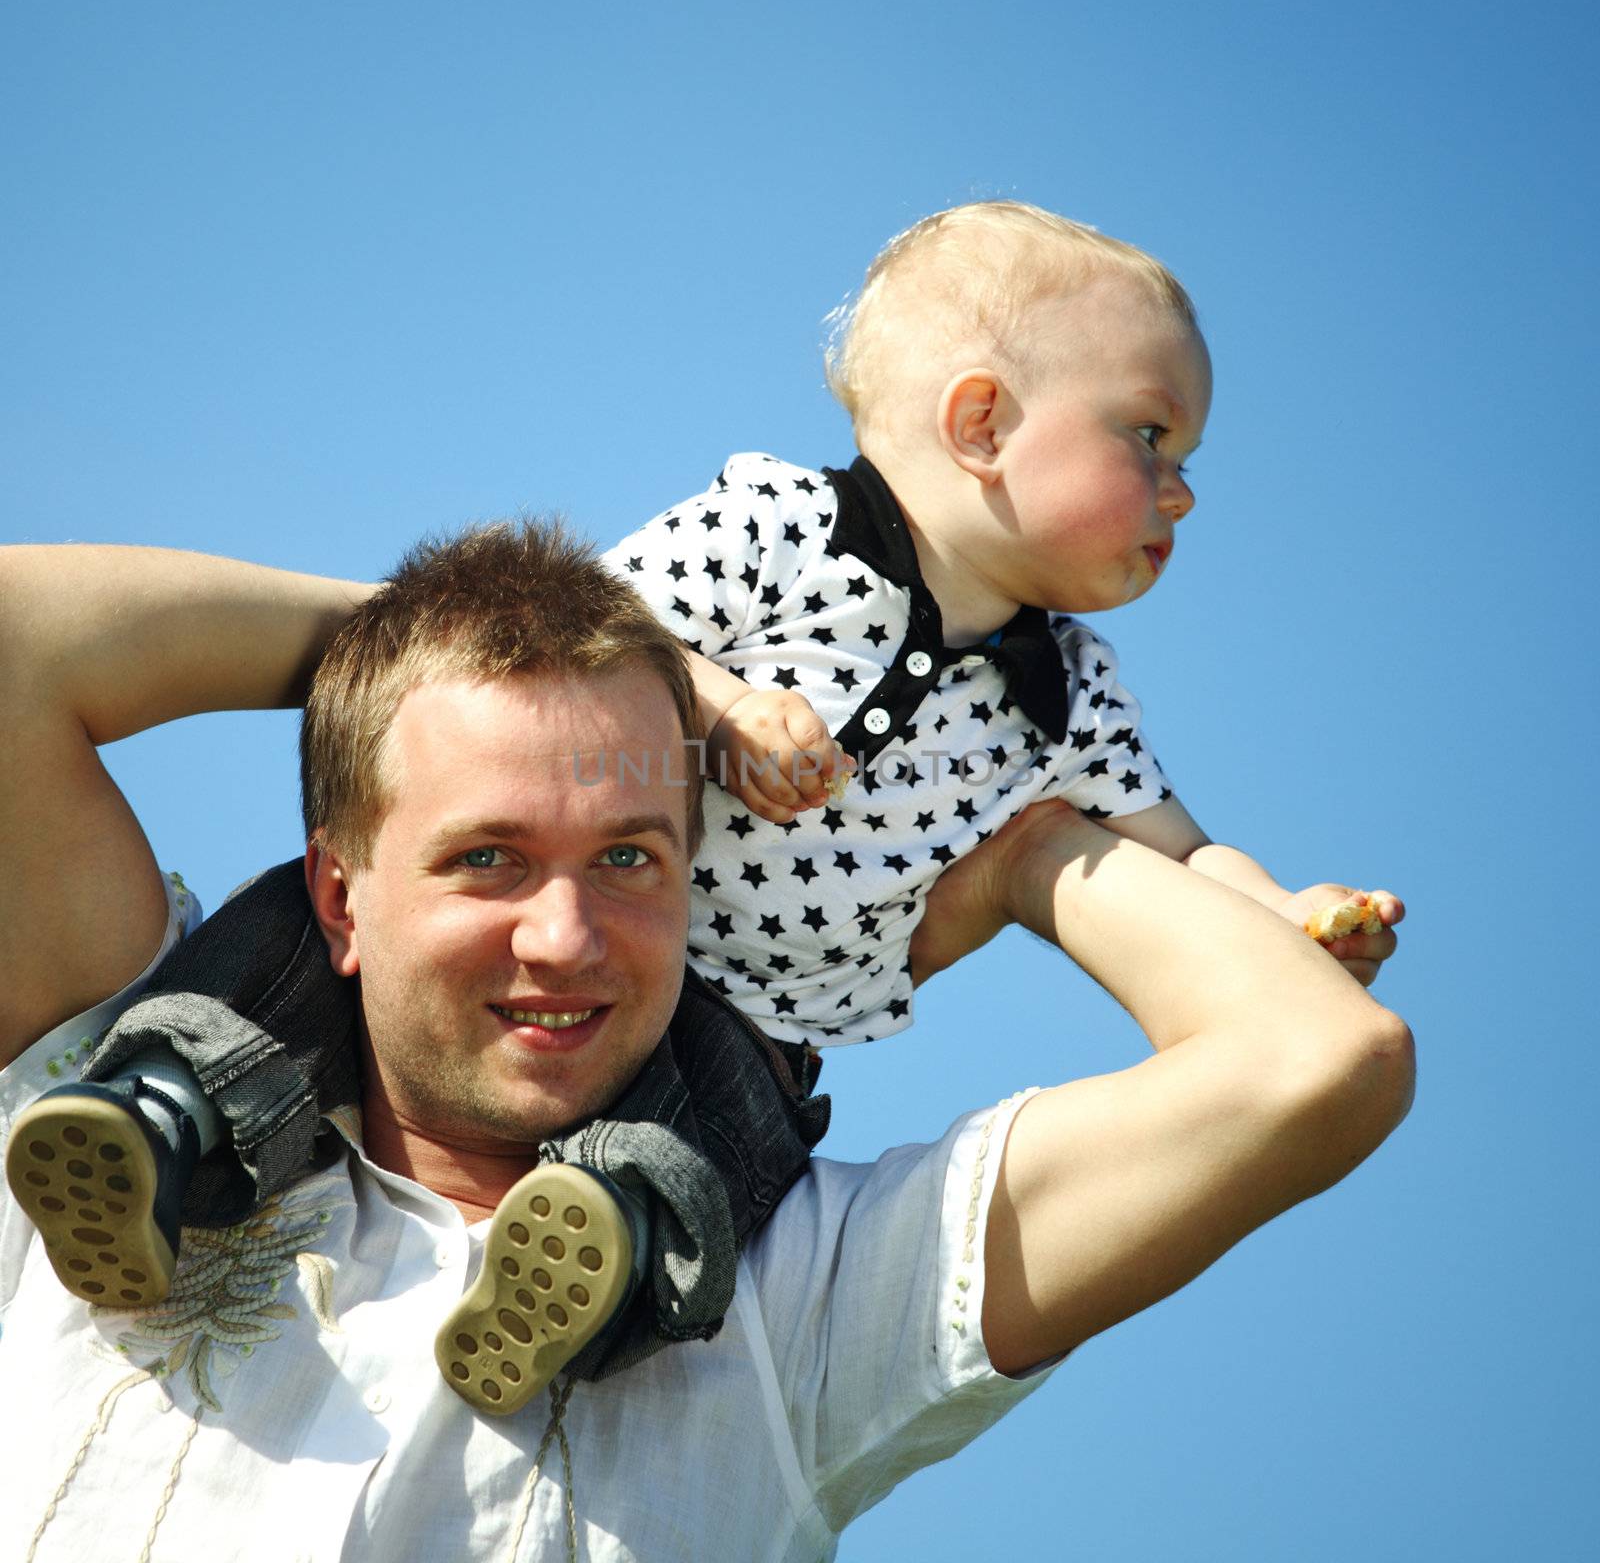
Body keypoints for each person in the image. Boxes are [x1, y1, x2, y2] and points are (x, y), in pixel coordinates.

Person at [7, 201, 1404, 1405]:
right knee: (289, 966)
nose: (1184, 490)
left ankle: (591, 1263)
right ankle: (152, 1130)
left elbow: (1180, 845)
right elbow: (578, 638)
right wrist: (716, 703)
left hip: (755, 1013)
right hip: (586, 923)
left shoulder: (1071, 699)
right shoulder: (783, 527)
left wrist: (1279, 914)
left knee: (721, 1146)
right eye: (1152, 437)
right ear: (981, 419)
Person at [0, 529, 1413, 1560]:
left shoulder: (809, 1296)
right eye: (487, 856)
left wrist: (1038, 850)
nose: (564, 936)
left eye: (629, 861)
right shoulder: (113, 1076)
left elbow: (1313, 1064)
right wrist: (421, 642)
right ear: (340, 899)